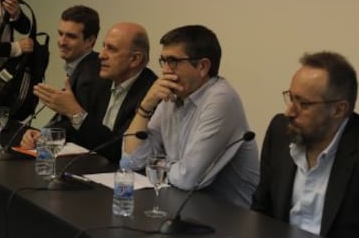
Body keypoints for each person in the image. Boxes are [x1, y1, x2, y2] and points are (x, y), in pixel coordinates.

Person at [124, 25, 259, 208]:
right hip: (182, 205)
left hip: (228, 216)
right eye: (163, 61)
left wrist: (158, 165)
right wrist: (145, 106)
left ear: (202, 67)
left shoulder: (221, 99)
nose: (165, 70)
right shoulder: (172, 94)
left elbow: (188, 179)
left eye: (173, 61)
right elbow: (132, 161)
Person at [251, 51, 359, 237]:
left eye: (303, 104)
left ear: (338, 109)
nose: (289, 112)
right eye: (291, 98)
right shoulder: (280, 132)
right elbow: (262, 209)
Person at [21, 22, 157, 163]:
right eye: (103, 46)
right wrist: (47, 136)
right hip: (88, 168)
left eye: (111, 49)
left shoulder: (151, 95)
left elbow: (119, 150)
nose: (101, 55)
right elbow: (76, 126)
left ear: (135, 59)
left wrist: (75, 113)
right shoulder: (98, 80)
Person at [20, 5, 101, 146]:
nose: (62, 42)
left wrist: (45, 136)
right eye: (60, 33)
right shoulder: (83, 65)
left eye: (71, 36)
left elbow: (79, 128)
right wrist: (43, 134)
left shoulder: (91, 75)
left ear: (90, 41)